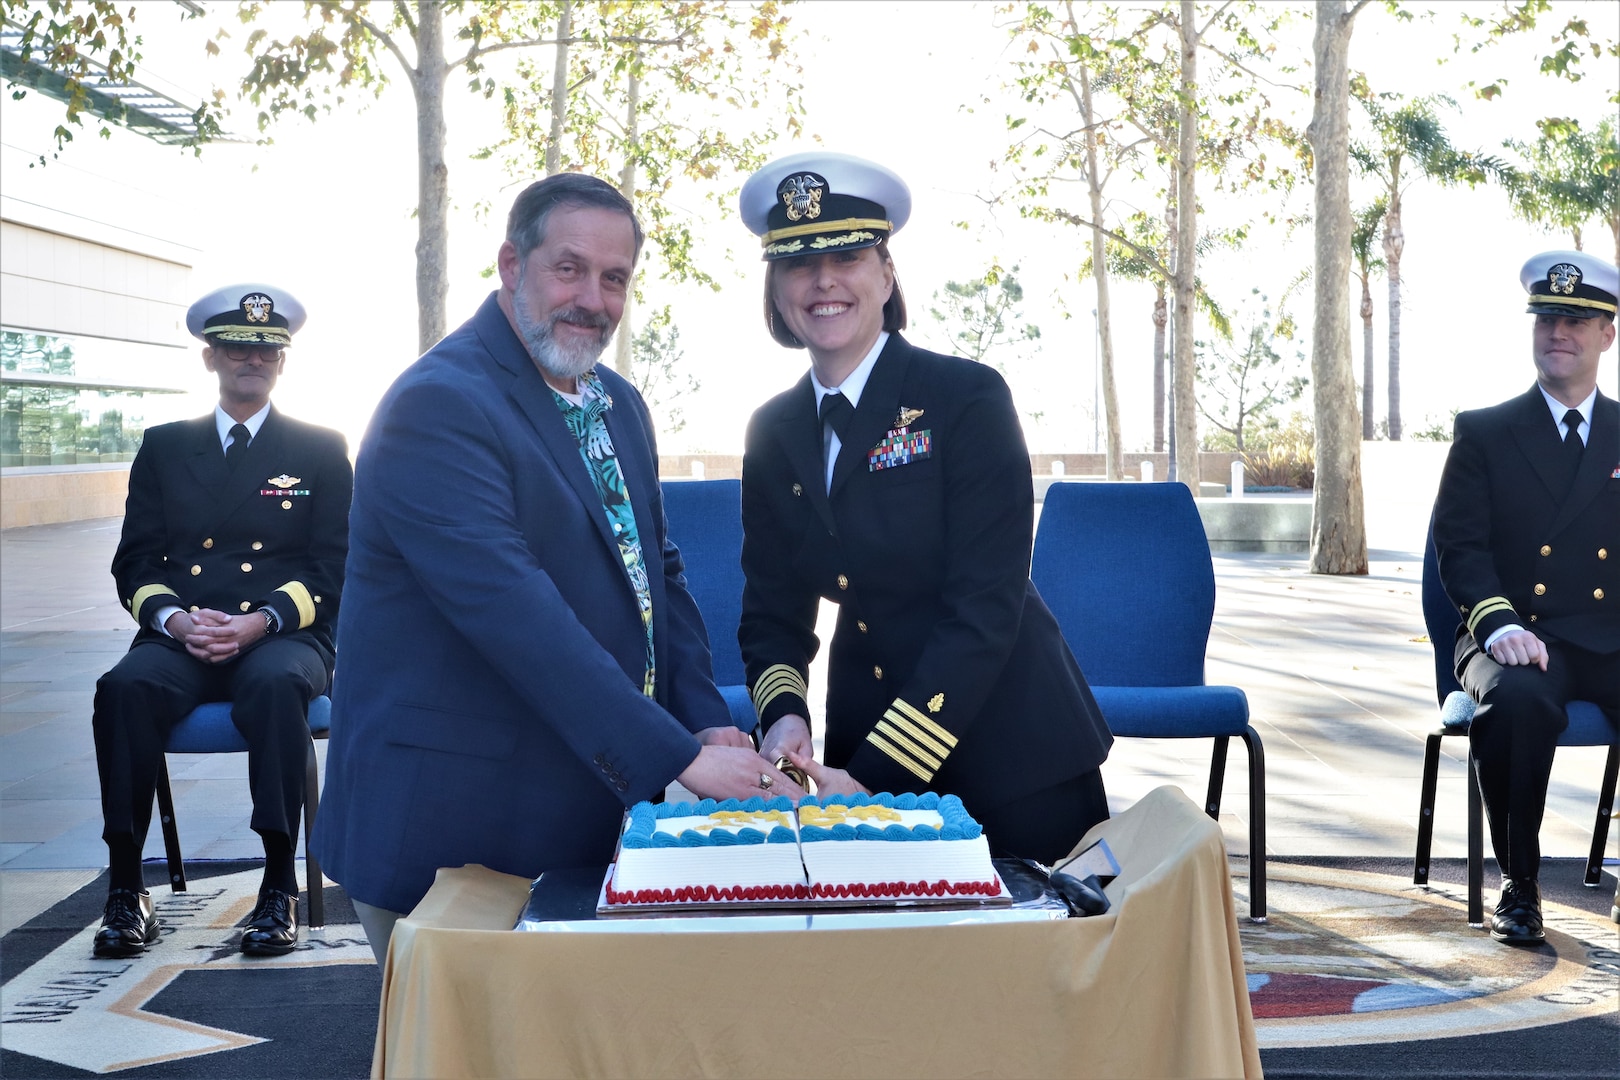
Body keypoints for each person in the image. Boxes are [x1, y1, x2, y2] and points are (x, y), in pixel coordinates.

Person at [312, 173, 804, 965]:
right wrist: (679, 758)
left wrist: (704, 714)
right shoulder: (438, 406)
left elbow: (659, 577)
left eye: (615, 279)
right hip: (449, 829)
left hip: (569, 816)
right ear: (512, 265)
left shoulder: (617, 402)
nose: (593, 300)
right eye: (568, 269)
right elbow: (518, 616)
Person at [735, 152, 1115, 864]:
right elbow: (770, 611)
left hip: (1012, 750)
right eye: (796, 264)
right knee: (887, 968)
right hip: (860, 746)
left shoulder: (965, 399)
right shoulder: (772, 430)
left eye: (847, 255)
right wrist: (784, 715)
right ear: (776, 289)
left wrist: (876, 777)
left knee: (1044, 966)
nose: (823, 281)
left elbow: (985, 605)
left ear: (886, 273)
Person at [92, 284, 352, 958]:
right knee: (123, 690)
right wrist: (177, 622)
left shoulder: (320, 448)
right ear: (211, 357)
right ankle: (126, 889)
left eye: (267, 351)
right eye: (238, 347)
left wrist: (260, 621)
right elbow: (135, 562)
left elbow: (334, 566)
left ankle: (276, 887)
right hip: (184, 632)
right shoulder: (166, 448)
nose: (253, 360)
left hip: (284, 634)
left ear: (283, 363)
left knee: (274, 687)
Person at [1432, 249, 1619, 945]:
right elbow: (1461, 548)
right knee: (1516, 701)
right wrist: (1499, 622)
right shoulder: (1485, 432)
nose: (1557, 332)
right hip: (1511, 629)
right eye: (1545, 318)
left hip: (1608, 632)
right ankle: (1521, 881)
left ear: (1607, 334)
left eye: (1575, 319)